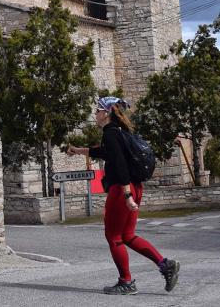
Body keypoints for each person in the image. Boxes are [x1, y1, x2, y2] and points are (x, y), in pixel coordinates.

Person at [67, 97, 180, 295]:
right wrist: (78, 151)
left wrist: (126, 195)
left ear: (107, 112)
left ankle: (126, 282)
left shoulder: (110, 133)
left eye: (98, 110)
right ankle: (165, 264)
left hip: (122, 188)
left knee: (113, 236)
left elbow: (118, 165)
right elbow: (105, 153)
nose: (95, 114)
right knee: (128, 235)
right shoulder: (121, 132)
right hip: (135, 186)